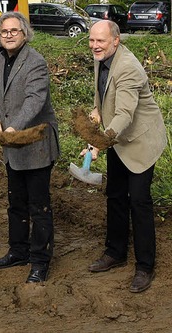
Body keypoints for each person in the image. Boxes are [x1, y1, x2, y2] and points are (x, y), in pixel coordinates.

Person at [85, 20, 167, 293]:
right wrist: (96, 110)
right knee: (115, 195)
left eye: (101, 41)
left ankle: (145, 267)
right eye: (92, 40)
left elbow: (124, 115)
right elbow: (103, 93)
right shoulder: (101, 57)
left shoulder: (129, 68)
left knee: (139, 201)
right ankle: (115, 252)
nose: (95, 46)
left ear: (116, 41)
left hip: (140, 141)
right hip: (117, 139)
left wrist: (98, 143)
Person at [0, 12, 60, 283]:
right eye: (4, 31)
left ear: (24, 33)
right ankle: (19, 251)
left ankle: (40, 261)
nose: (9, 35)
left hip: (35, 142)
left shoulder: (36, 62)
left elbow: (34, 100)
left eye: (14, 31)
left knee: (38, 206)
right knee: (15, 202)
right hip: (11, 144)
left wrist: (13, 126)